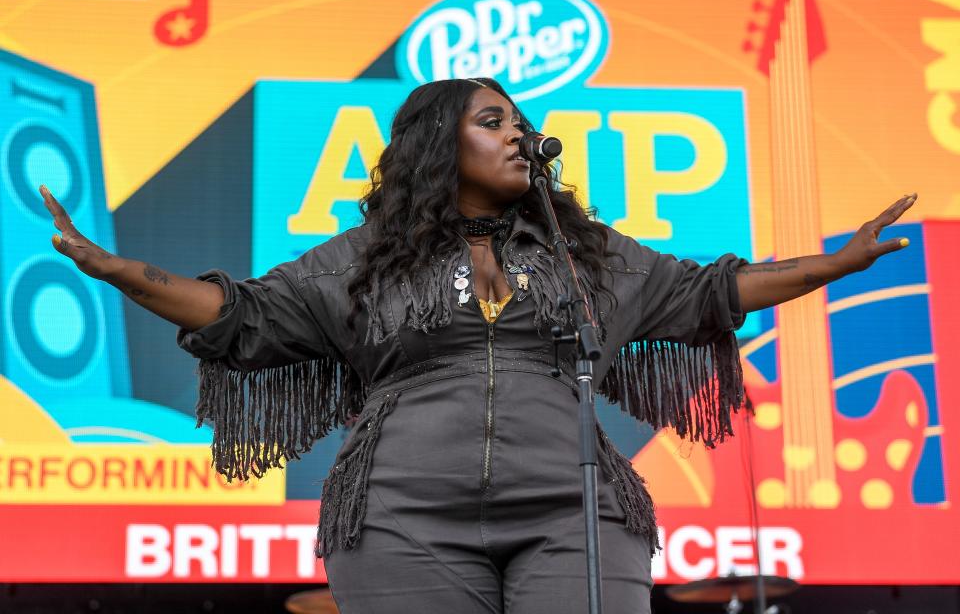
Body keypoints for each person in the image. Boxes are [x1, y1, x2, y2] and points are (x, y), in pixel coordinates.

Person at [40, 77, 916, 613]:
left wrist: (838, 261)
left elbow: (714, 291)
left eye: (519, 125)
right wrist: (118, 269)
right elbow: (238, 311)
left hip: (574, 514)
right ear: (437, 146)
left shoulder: (589, 257)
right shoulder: (360, 261)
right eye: (493, 122)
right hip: (399, 520)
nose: (516, 136)